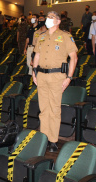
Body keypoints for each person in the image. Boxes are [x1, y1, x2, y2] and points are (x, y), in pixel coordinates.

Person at [32, 11, 78, 152]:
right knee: (43, 109)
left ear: (58, 21)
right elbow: (37, 55)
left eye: (51, 17)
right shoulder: (41, 36)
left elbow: (73, 58)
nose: (48, 19)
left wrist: (69, 77)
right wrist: (34, 73)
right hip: (41, 76)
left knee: (54, 109)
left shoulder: (65, 36)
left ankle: (53, 140)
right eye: (47, 17)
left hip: (57, 76)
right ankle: (44, 138)